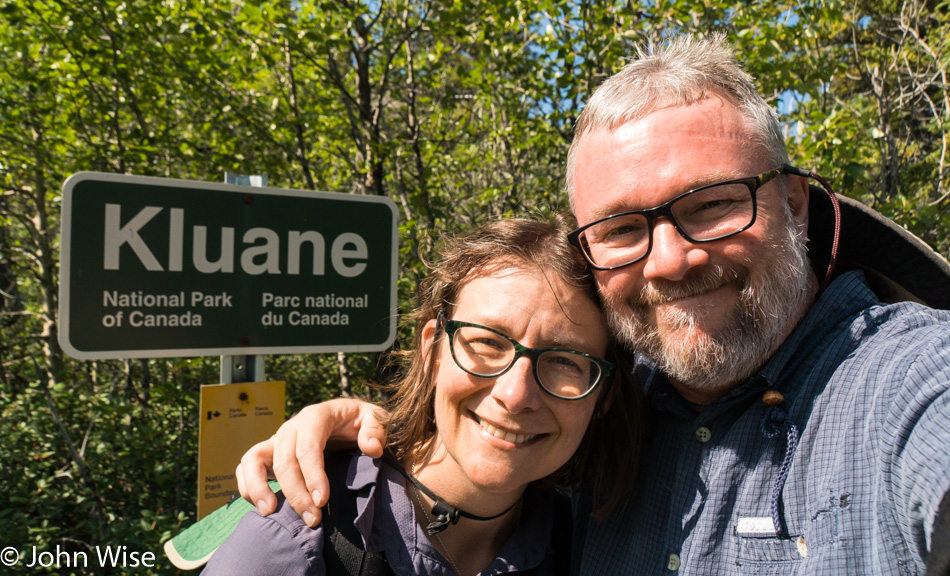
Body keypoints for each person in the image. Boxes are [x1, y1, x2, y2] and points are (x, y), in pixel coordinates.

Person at [236, 34, 950, 574]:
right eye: (621, 229)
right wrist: (371, 433)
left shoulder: (902, 381)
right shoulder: (603, 421)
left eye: (713, 206)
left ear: (794, 207)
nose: (671, 260)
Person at [203, 218, 642, 575]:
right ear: (433, 351)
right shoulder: (300, 538)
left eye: (565, 361)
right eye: (487, 342)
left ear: (602, 396)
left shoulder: (579, 545)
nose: (515, 394)